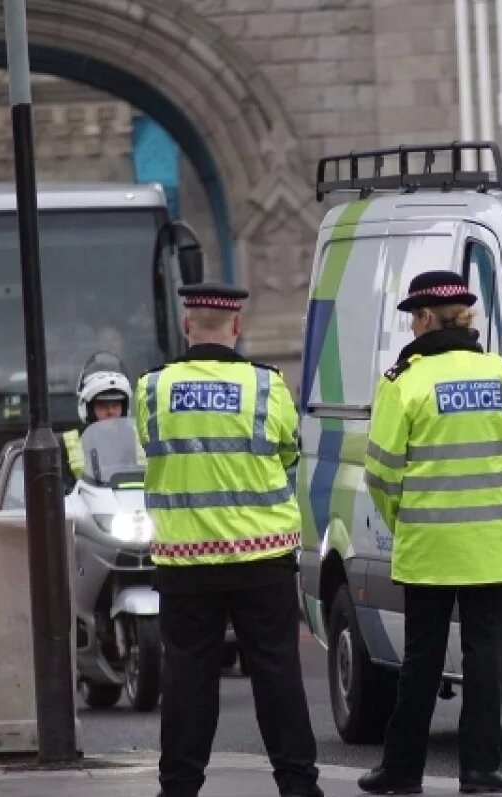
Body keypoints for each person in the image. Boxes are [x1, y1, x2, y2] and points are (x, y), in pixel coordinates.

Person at [136, 282, 323, 797]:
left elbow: (150, 446)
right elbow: (289, 453)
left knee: (188, 679)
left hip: (183, 560)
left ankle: (178, 788)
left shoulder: (151, 387)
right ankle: (298, 786)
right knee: (276, 674)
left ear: (186, 326)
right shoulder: (268, 387)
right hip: (261, 556)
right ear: (236, 327)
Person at [358, 271, 502, 796]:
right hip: (493, 549)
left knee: (422, 664)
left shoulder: (404, 381)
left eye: (414, 317)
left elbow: (381, 472)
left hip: (429, 548)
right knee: (483, 662)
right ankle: (479, 771)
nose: (412, 326)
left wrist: (402, 521)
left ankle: (403, 770)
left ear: (428, 319)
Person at [60, 365, 134, 490]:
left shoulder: (138, 439)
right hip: (85, 507)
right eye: (103, 406)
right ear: (88, 410)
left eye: (115, 405)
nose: (110, 411)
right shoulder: (69, 442)